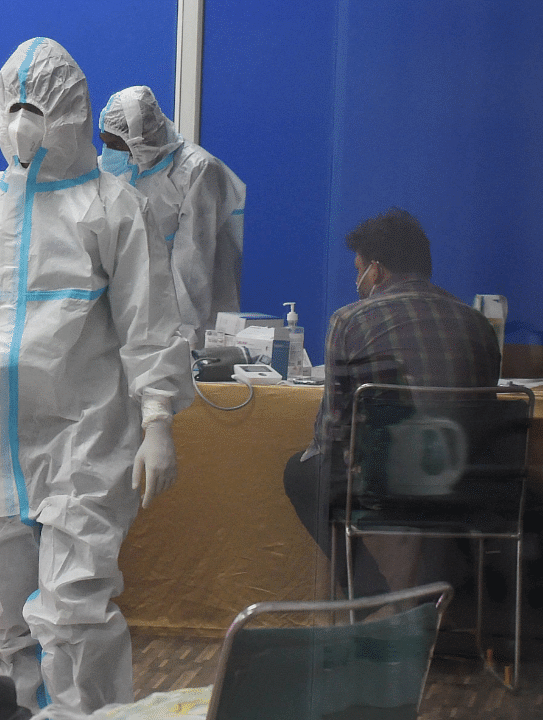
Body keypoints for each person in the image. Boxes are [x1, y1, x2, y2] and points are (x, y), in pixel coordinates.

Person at [0, 38, 193, 716]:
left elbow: (149, 325)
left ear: (67, 112)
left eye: (32, 107)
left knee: (74, 605)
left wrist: (157, 420)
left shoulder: (111, 207)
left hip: (83, 434)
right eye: (10, 107)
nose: (17, 123)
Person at [283, 207, 501, 594]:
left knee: (302, 472)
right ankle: (452, 601)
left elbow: (332, 430)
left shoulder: (349, 321)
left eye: (358, 269)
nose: (357, 279)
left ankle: (368, 591)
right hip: (470, 485)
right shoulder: (477, 323)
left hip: (386, 485)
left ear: (376, 270)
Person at [98, 86, 245, 349]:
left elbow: (192, 267)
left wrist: (182, 340)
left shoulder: (196, 170)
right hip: (129, 314)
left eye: (115, 144)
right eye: (105, 142)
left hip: (184, 317)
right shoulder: (120, 168)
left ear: (140, 142)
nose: (108, 152)